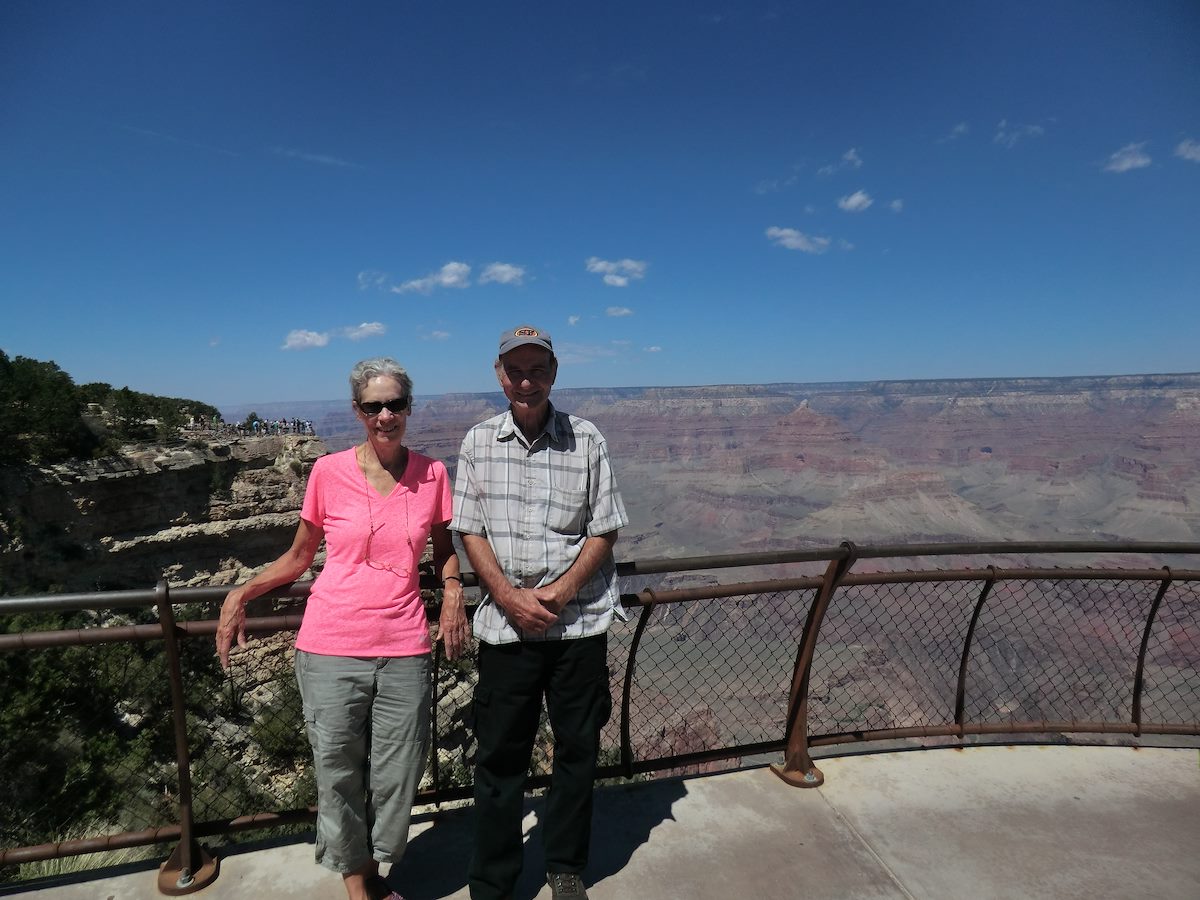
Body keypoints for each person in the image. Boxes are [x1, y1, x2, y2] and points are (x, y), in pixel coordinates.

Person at [216, 357, 469, 900]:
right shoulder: (328, 472)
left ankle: (378, 860)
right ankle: (362, 887)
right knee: (337, 773)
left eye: (395, 404)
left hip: (404, 645)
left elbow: (446, 553)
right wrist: (243, 591)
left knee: (398, 773)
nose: (385, 416)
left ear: (409, 408)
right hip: (330, 644)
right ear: (357, 411)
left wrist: (452, 591)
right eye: (373, 406)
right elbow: (299, 556)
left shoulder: (434, 474)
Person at [451, 325, 628, 900]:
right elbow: (469, 529)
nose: (527, 381)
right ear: (499, 374)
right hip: (506, 630)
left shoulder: (588, 439)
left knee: (577, 752)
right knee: (500, 760)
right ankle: (494, 881)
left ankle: (565, 866)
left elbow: (604, 529)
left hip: (577, 626)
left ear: (554, 374)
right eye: (516, 370)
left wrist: (558, 593)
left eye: (538, 370)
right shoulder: (478, 443)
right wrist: (506, 596)